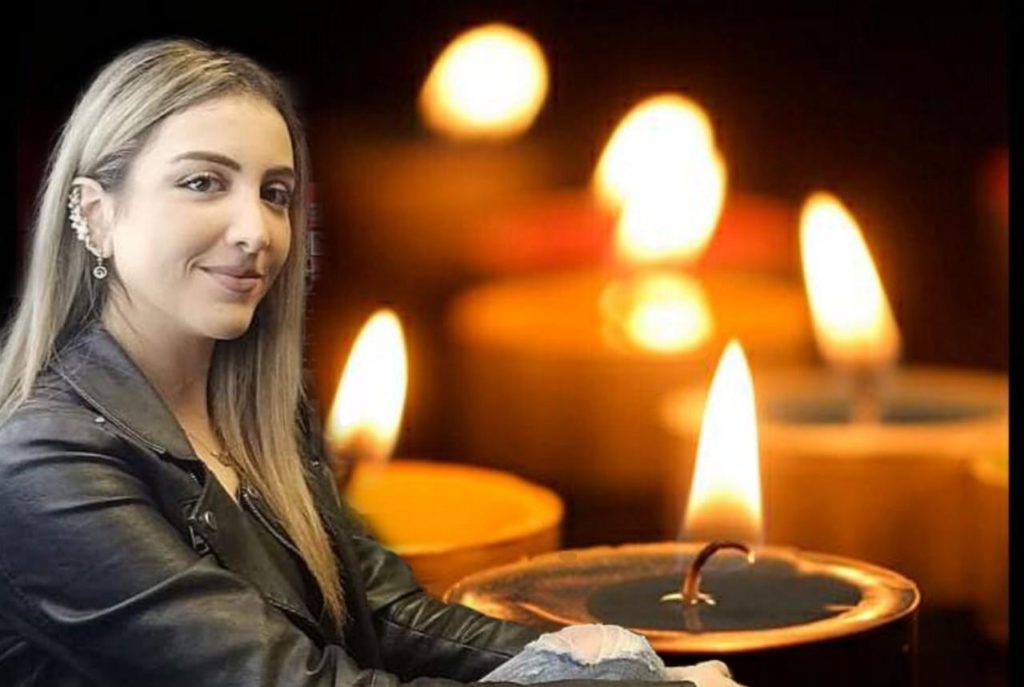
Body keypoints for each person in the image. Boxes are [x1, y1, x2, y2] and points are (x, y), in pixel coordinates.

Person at [0, 39, 740, 687]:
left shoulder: (255, 411)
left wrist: (621, 661)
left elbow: (385, 613)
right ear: (95, 213)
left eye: (275, 193)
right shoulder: (43, 461)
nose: (257, 230)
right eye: (203, 182)